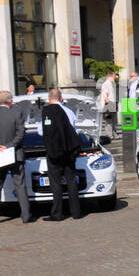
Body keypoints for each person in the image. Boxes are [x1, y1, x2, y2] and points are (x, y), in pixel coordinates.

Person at [0, 90, 34, 223]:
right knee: (20, 185)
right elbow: (21, 133)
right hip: (15, 154)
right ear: (10, 101)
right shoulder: (16, 113)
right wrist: (10, 146)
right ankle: (26, 215)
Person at [40, 89, 83, 221]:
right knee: (71, 181)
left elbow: (41, 131)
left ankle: (57, 213)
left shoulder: (46, 112)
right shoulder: (69, 111)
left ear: (49, 98)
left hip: (54, 152)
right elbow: (74, 129)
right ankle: (76, 212)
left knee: (55, 183)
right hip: (69, 151)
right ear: (61, 98)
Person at [99, 69, 117, 134]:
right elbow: (104, 94)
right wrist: (108, 104)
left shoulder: (110, 83)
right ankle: (109, 134)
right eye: (115, 75)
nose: (116, 77)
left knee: (112, 120)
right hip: (108, 104)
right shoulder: (106, 83)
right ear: (111, 75)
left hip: (111, 104)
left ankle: (113, 133)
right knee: (108, 120)